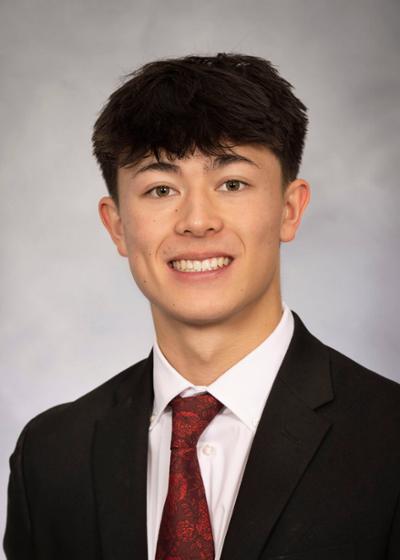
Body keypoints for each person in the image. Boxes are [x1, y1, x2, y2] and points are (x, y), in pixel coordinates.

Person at [4, 53, 400, 560]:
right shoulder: (50, 455)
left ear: (289, 209)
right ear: (117, 226)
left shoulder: (390, 439)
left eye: (232, 184)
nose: (196, 221)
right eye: (160, 189)